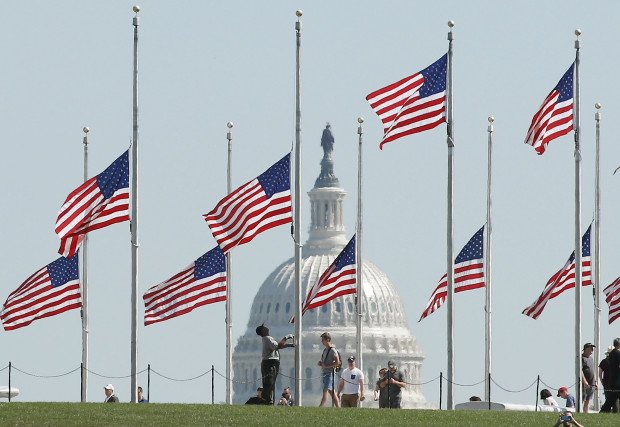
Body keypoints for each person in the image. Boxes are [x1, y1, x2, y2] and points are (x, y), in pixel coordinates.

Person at [255, 324, 295, 404]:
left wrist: (289, 345)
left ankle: (268, 400)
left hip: (269, 363)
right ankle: (266, 400)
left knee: (270, 383)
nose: (267, 327)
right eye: (264, 327)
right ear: (263, 331)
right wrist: (286, 337)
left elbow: (277, 347)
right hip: (270, 363)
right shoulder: (267, 338)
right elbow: (278, 345)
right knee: (269, 383)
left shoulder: (267, 339)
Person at [318, 332, 340, 407]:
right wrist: (321, 363)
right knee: (332, 393)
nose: (322, 341)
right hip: (325, 373)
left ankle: (320, 407)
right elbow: (323, 361)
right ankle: (338, 408)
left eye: (323, 339)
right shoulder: (325, 350)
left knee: (325, 391)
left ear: (328, 340)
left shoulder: (332, 350)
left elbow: (337, 362)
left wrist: (327, 366)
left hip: (329, 374)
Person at [601, 337, 620, 413]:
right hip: (617, 380)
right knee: (611, 398)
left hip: (613, 380)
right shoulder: (618, 353)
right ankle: (603, 411)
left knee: (611, 398)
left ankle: (603, 411)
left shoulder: (611, 354)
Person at [580, 342, 596, 412]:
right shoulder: (581, 358)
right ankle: (580, 412)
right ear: (586, 349)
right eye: (590, 349)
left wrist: (595, 382)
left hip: (591, 383)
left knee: (588, 400)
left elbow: (592, 371)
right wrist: (584, 381)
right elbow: (580, 370)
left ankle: (585, 413)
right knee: (582, 399)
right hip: (584, 383)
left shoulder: (591, 359)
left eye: (592, 349)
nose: (592, 350)